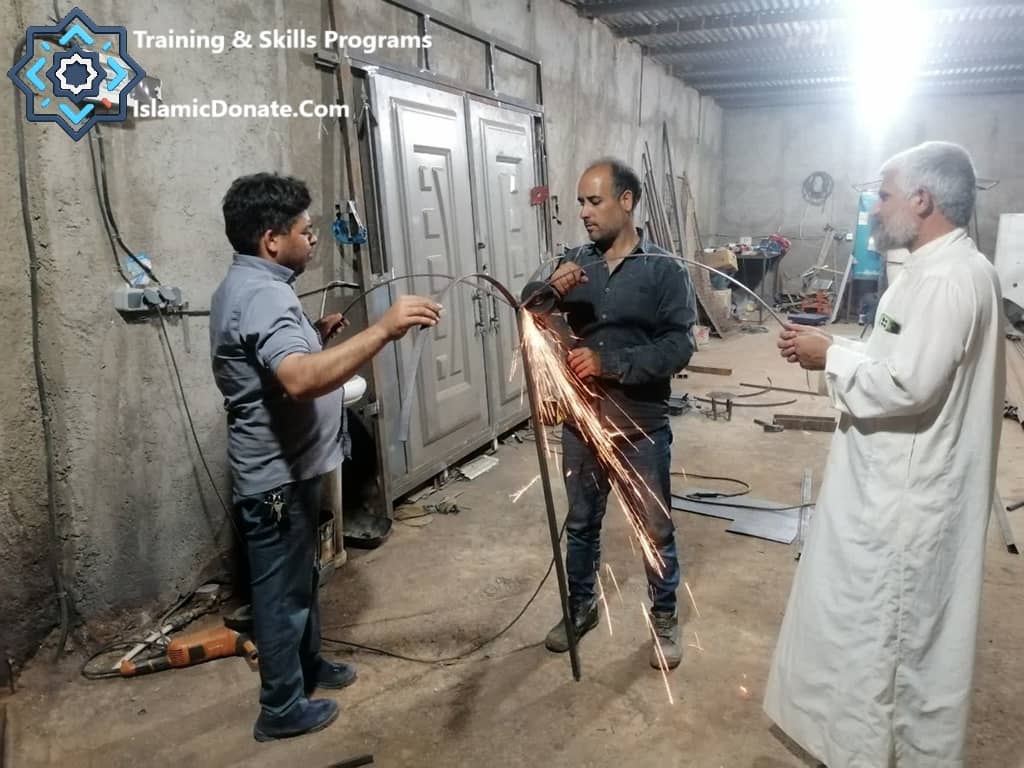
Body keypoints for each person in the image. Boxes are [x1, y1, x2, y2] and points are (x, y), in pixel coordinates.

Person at [765, 142, 1005, 767]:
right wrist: (836, 347)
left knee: (890, 644)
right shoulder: (938, 270)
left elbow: (908, 385)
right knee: (876, 641)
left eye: (886, 195)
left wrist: (830, 357)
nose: (875, 209)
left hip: (907, 504)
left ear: (922, 200)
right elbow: (899, 357)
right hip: (897, 492)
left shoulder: (948, 279)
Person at [210, 173, 441, 742]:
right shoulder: (263, 294)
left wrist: (313, 333)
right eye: (305, 230)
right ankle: (280, 708)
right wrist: (382, 330)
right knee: (281, 594)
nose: (313, 238)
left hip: (293, 469)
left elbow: (273, 357)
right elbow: (299, 379)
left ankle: (308, 666)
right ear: (271, 239)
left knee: (301, 578)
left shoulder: (254, 283)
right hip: (276, 479)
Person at [522, 158, 697, 669]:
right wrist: (553, 289)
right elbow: (528, 309)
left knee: (654, 529)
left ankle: (663, 618)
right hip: (582, 423)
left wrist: (610, 363)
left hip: (640, 424)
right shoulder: (574, 262)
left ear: (626, 201)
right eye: (580, 201)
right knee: (581, 523)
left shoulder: (664, 270)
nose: (584, 211)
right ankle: (581, 607)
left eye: (594, 201)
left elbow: (678, 347)